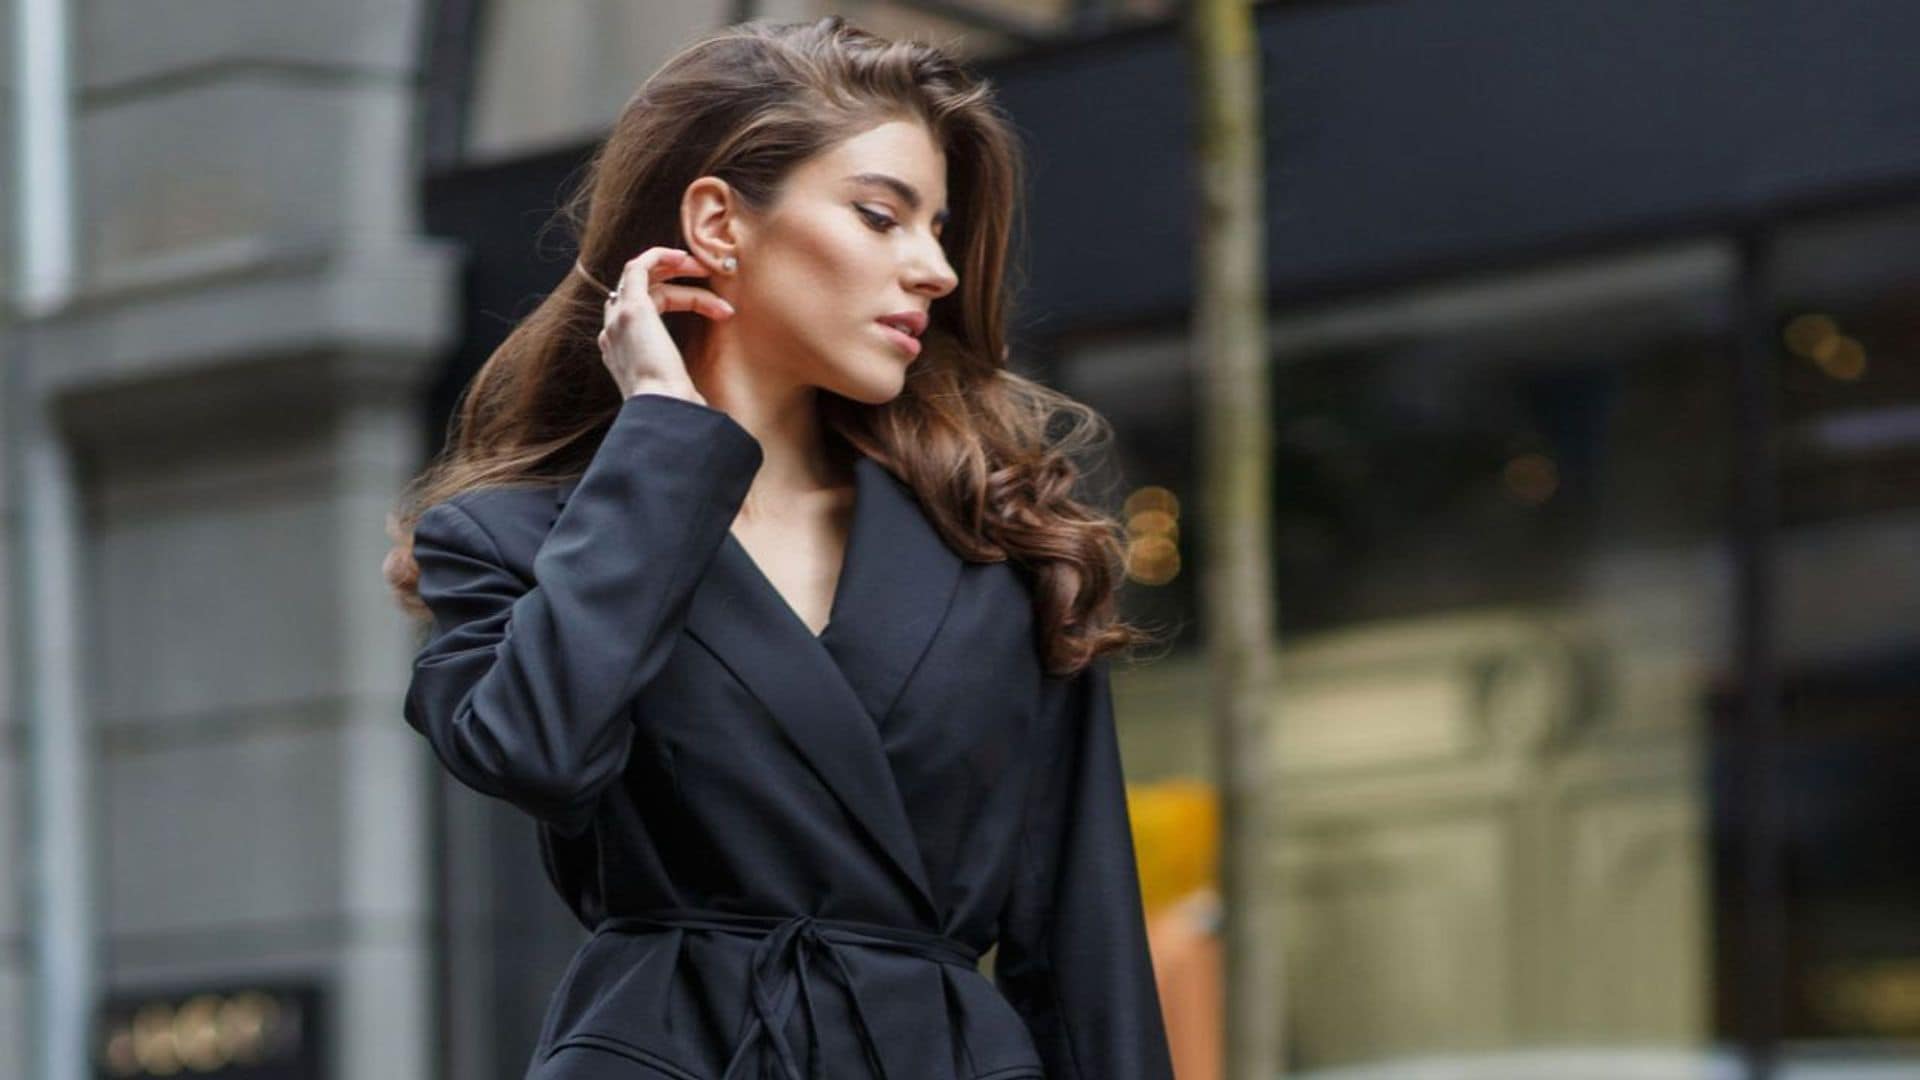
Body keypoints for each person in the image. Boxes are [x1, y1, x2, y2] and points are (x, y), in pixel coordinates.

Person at [384, 15, 1174, 1080]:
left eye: (939, 229)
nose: (935, 269)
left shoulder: (1002, 541)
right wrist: (662, 439)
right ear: (718, 220)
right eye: (880, 216)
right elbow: (534, 751)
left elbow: (1086, 955)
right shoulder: (510, 540)